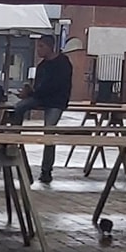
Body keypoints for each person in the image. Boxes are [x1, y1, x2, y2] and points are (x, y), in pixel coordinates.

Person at [12, 32, 74, 184]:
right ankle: (14, 137)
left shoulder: (63, 63)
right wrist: (30, 92)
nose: (38, 50)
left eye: (41, 46)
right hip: (40, 97)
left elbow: (54, 86)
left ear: (50, 47)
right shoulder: (42, 66)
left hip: (55, 101)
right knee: (18, 107)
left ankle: (46, 170)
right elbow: (40, 87)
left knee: (49, 131)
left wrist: (32, 92)